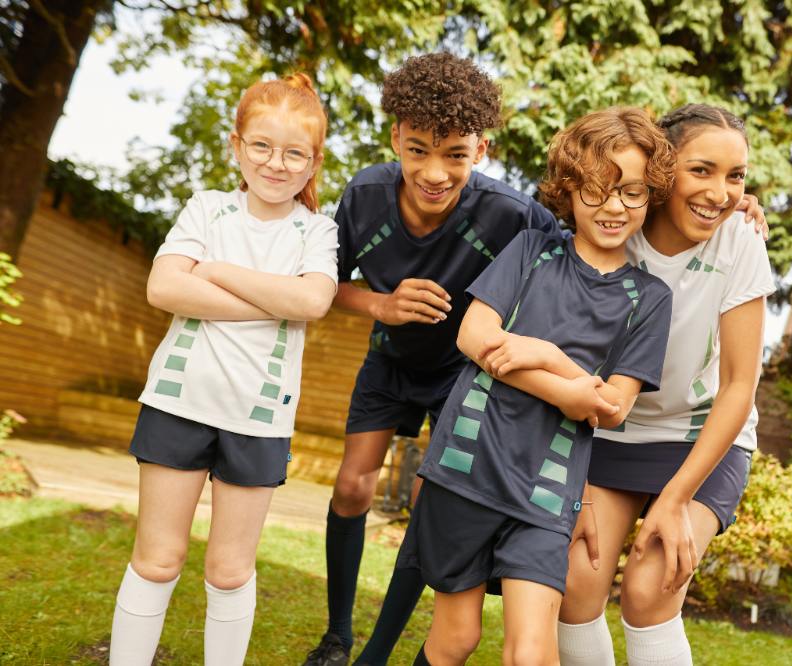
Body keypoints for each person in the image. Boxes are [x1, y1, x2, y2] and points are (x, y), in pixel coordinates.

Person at [304, 53, 560, 666]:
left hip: (462, 381)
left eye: (456, 155)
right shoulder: (363, 195)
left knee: (427, 511)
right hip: (390, 362)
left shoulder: (511, 213)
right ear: (396, 137)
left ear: (483, 150)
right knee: (351, 486)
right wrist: (380, 305)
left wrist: (720, 213)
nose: (435, 172)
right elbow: (321, 284)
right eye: (417, 150)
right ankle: (338, 636)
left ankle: (377, 653)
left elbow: (596, 236)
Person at [398, 106, 676, 666]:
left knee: (530, 651)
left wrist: (544, 354)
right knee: (456, 639)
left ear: (651, 196)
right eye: (596, 190)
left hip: (547, 497)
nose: (614, 206)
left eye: (632, 192)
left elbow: (613, 406)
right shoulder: (530, 252)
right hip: (466, 471)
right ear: (569, 190)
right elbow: (474, 336)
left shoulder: (649, 298)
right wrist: (568, 390)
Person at [108, 73, 338, 666]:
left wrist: (213, 275)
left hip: (258, 423)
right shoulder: (206, 209)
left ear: (314, 163)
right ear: (237, 146)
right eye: (261, 146)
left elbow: (312, 303)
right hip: (177, 405)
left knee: (231, 571)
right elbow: (163, 287)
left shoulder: (318, 230)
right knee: (156, 560)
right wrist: (271, 304)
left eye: (295, 153)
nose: (276, 164)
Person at [554, 104, 775, 666]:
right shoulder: (613, 226)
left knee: (651, 589)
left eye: (736, 176)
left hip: (704, 438)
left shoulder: (740, 241)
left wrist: (675, 500)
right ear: (663, 168)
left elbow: (739, 386)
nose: (721, 192)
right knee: (577, 579)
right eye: (702, 170)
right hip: (611, 434)